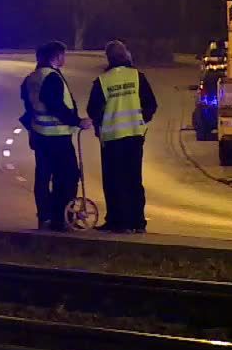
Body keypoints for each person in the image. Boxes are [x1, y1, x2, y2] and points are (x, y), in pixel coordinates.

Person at [20, 41, 92, 231]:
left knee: (43, 178)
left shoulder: (31, 78)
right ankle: (62, 218)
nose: (64, 58)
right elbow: (56, 106)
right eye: (63, 55)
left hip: (39, 135)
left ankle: (45, 217)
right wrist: (77, 121)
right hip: (57, 137)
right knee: (67, 177)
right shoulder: (51, 77)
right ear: (56, 57)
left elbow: (29, 106)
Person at [87, 40, 158, 233]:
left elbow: (93, 109)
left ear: (108, 58)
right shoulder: (138, 77)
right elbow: (151, 104)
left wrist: (99, 124)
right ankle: (137, 222)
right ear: (126, 55)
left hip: (111, 139)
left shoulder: (103, 81)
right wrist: (142, 118)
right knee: (134, 180)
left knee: (113, 181)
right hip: (134, 137)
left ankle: (116, 222)